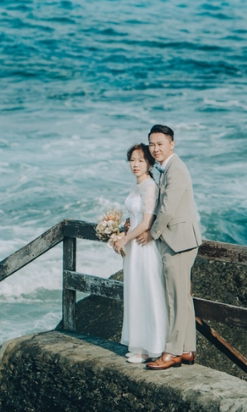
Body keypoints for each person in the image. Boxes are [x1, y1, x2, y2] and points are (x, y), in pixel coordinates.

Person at [139, 124, 203, 370]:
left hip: (178, 241)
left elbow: (167, 209)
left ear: (172, 144)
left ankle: (173, 352)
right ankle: (187, 349)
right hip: (180, 239)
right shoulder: (167, 168)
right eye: (152, 144)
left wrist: (152, 233)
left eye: (160, 144)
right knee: (182, 299)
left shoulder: (176, 170)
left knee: (174, 300)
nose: (155, 149)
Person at [109, 143, 168, 363]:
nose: (135, 164)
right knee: (136, 292)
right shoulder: (138, 185)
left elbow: (147, 221)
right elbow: (136, 216)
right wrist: (125, 227)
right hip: (134, 246)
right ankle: (140, 344)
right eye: (132, 160)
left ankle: (152, 346)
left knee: (148, 292)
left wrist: (124, 239)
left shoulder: (150, 186)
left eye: (141, 160)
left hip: (144, 247)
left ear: (150, 163)